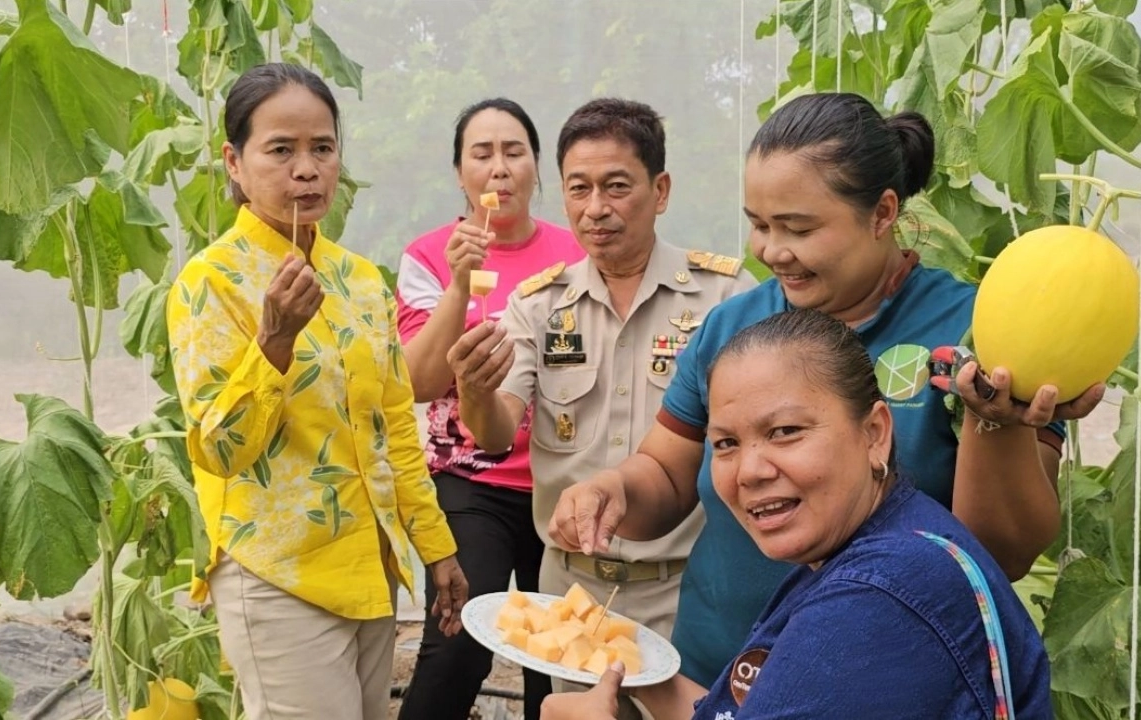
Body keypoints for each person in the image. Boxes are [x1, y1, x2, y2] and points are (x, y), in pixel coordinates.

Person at [548, 92, 1103, 687]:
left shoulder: (979, 334)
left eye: (799, 228)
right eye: (759, 225)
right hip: (708, 677)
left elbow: (1001, 556)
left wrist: (995, 423)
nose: (770, 251)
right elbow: (667, 472)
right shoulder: (733, 325)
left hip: (876, 681)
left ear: (883, 213)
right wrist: (613, 492)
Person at [541, 308, 1054, 719]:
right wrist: (641, 670)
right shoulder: (868, 546)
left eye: (785, 432)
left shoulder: (876, 598)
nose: (749, 471)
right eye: (724, 443)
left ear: (875, 433)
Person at [166, 62, 468, 720]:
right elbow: (219, 451)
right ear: (234, 163)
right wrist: (273, 342)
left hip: (371, 573)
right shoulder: (209, 282)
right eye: (281, 150)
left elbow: (394, 430)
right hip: (277, 577)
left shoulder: (358, 280)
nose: (307, 169)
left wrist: (435, 546)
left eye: (323, 148)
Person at [446, 97, 756, 719]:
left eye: (617, 187)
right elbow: (498, 431)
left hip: (687, 586)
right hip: (573, 594)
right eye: (579, 189)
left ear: (660, 189)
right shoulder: (540, 304)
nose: (596, 209)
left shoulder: (726, 297)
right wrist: (474, 391)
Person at [394, 98, 585, 720]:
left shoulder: (577, 256)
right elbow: (419, 383)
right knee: (457, 650)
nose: (499, 168)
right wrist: (459, 283)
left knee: (554, 660)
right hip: (469, 481)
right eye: (482, 153)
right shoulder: (428, 256)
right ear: (459, 172)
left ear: (537, 169)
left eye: (514, 152)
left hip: (562, 482)